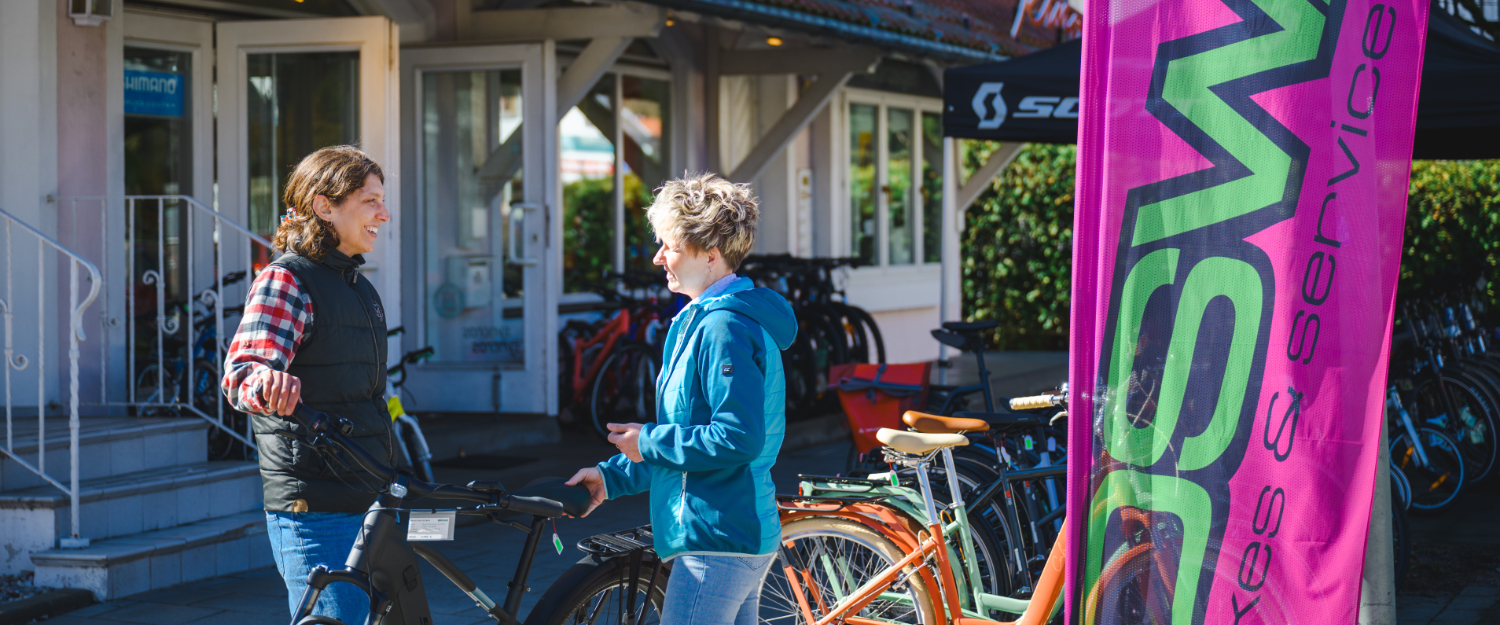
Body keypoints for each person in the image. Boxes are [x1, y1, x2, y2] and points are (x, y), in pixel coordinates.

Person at [566, 173, 796, 625]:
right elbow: (689, 441)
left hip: (717, 537)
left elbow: (736, 438)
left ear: (710, 255)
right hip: (728, 533)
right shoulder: (707, 319)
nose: (658, 257)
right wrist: (611, 479)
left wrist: (648, 441)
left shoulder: (723, 327)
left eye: (669, 246)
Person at [221, 145, 393, 624]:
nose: (384, 214)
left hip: (368, 495)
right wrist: (265, 382)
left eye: (382, 201)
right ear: (324, 206)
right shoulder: (287, 280)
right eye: (371, 201)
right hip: (316, 508)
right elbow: (242, 374)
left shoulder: (358, 287)